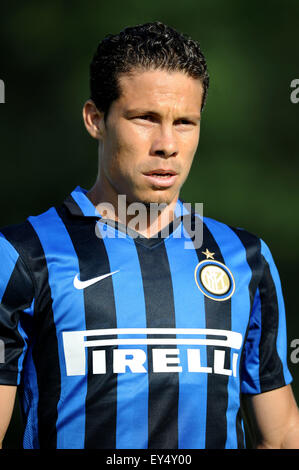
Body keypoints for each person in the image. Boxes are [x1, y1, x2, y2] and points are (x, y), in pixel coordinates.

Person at [0, 21, 299, 450]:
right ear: (95, 119)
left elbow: (283, 436)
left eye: (185, 122)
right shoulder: (21, 256)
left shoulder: (244, 258)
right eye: (145, 118)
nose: (167, 144)